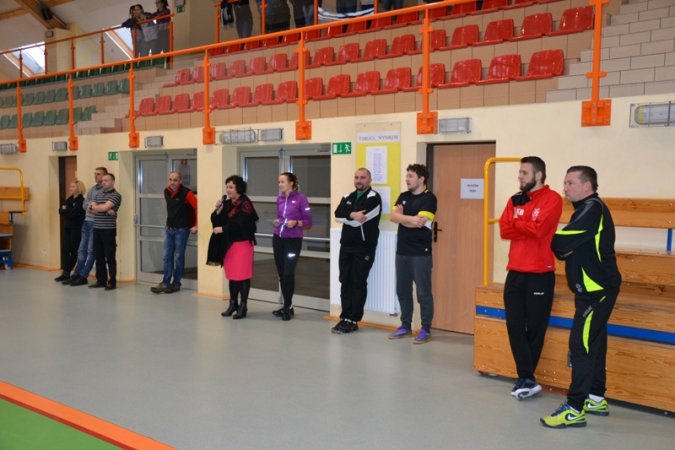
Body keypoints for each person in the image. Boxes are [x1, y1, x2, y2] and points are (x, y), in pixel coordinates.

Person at [541, 166, 621, 428]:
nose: (565, 188)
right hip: (592, 289)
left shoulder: (592, 208)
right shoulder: (586, 209)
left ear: (587, 186)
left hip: (596, 291)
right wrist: (566, 248)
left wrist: (565, 247)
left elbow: (560, 243)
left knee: (580, 345)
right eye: (565, 183)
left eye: (570, 183)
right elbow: (565, 248)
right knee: (594, 342)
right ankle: (596, 398)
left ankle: (574, 408)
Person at [499, 156, 563, 399]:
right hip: (515, 271)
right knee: (514, 325)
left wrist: (518, 221)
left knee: (535, 328)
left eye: (524, 173)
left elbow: (540, 230)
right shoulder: (515, 199)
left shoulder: (553, 199)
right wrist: (525, 223)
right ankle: (526, 377)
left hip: (540, 273)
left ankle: (525, 377)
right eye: (520, 172)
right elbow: (504, 229)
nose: (520, 176)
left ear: (538, 175)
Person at [389, 164, 437, 344]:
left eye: (410, 176)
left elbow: (420, 222)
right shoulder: (403, 196)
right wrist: (410, 219)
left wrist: (403, 218)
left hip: (421, 254)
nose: (407, 179)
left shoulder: (429, 198)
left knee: (423, 293)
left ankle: (425, 329)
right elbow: (393, 217)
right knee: (402, 290)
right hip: (402, 251)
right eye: (407, 175)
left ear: (421, 179)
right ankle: (405, 326)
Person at [332, 168, 382, 334]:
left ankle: (354, 320)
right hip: (346, 246)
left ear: (369, 179)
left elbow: (357, 222)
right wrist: (353, 214)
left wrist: (349, 216)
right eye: (356, 177)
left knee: (358, 282)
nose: (359, 180)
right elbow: (337, 215)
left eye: (362, 177)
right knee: (345, 281)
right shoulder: (348, 196)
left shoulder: (374, 198)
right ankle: (345, 317)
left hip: (364, 247)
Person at [208, 175, 258, 319]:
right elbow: (216, 220)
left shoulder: (245, 204)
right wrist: (217, 210)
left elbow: (241, 223)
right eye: (227, 187)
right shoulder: (227, 203)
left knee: (243, 276)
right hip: (229, 244)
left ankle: (243, 306)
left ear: (238, 188)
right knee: (232, 276)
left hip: (242, 244)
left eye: (231, 187)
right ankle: (233, 303)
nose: (228, 190)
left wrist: (223, 229)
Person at [272, 172, 312, 321]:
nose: (280, 184)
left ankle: (287, 306)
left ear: (291, 183)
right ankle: (287, 306)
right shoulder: (280, 198)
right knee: (282, 274)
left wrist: (296, 222)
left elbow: (308, 222)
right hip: (278, 238)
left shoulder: (301, 198)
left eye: (282, 182)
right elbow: (280, 217)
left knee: (288, 273)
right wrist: (277, 221)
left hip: (293, 240)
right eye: (279, 182)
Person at [151, 171, 198, 294]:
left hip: (182, 230)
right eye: (170, 179)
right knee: (167, 256)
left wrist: (196, 225)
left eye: (175, 180)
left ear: (180, 181)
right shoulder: (166, 191)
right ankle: (165, 283)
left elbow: (197, 207)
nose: (172, 182)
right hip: (169, 229)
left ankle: (176, 283)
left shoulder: (187, 193)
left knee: (178, 257)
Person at [66, 167, 107, 286]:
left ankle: (84, 275)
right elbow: (85, 204)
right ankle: (77, 274)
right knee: (81, 249)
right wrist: (91, 206)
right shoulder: (92, 189)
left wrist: (92, 206)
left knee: (91, 250)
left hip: (95, 223)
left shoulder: (105, 191)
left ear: (104, 176)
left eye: (99, 174)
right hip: (86, 222)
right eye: (95, 174)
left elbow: (100, 207)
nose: (96, 176)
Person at [88, 173, 122, 291]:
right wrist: (100, 208)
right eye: (103, 181)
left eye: (106, 180)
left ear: (112, 182)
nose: (103, 183)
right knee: (99, 256)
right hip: (97, 228)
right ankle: (101, 280)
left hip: (108, 229)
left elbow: (102, 208)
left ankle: (112, 281)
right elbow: (90, 209)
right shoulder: (98, 193)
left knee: (110, 256)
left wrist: (98, 207)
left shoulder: (116, 195)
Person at [54, 180, 86, 282]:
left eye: (73, 186)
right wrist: (68, 211)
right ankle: (65, 272)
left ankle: (69, 271)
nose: (70, 188)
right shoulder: (69, 200)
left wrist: (67, 211)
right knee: (65, 249)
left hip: (76, 229)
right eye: (70, 186)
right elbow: (61, 211)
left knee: (74, 250)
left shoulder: (82, 201)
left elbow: (73, 213)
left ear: (78, 188)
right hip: (67, 228)